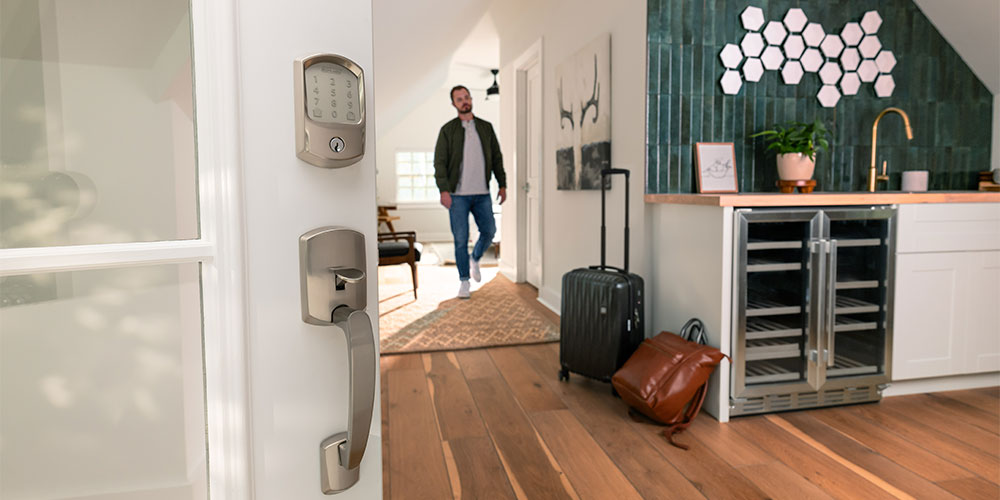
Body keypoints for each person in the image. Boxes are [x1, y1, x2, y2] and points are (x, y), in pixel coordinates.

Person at [434, 85, 507, 299]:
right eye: (459, 99)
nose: (464, 101)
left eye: (466, 97)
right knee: (460, 239)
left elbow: (496, 158)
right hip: (457, 195)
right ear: (453, 104)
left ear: (471, 99)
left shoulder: (485, 128)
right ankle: (464, 281)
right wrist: (444, 190)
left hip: (482, 193)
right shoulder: (448, 130)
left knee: (490, 231)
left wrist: (502, 184)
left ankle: (475, 258)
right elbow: (439, 162)